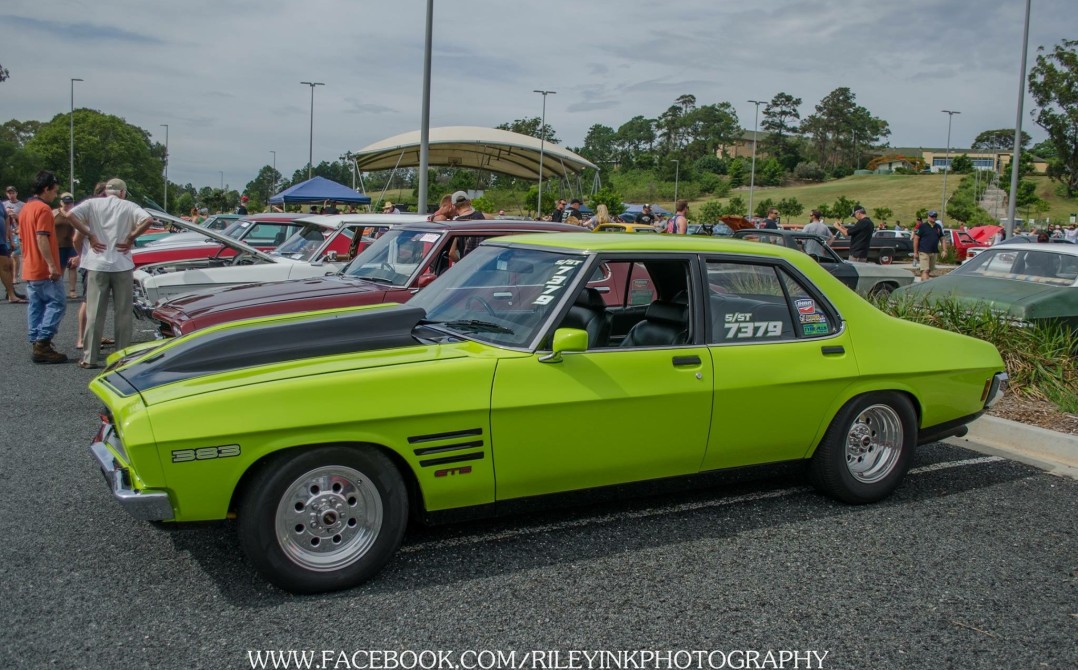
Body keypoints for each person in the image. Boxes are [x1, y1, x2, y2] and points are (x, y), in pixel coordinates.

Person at [65, 178, 154, 369]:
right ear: (122, 192)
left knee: (95, 312)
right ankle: (121, 357)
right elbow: (148, 220)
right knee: (122, 313)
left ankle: (90, 357)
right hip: (121, 263)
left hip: (97, 263)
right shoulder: (129, 206)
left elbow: (70, 215)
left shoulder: (91, 204)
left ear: (106, 191)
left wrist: (89, 234)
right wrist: (131, 237)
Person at [18, 171, 68, 363]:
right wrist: (52, 265)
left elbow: (23, 238)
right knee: (57, 304)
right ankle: (43, 343)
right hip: (43, 267)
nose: (56, 195)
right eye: (54, 191)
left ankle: (36, 341)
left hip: (29, 265)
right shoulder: (44, 209)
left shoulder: (25, 208)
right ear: (46, 189)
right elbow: (41, 237)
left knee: (36, 305)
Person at [53, 192, 79, 299]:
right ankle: (58, 290)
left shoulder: (76, 213)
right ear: (61, 202)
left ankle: (72, 290)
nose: (68, 205)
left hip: (72, 244)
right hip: (59, 244)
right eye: (65, 203)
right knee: (60, 268)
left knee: (72, 267)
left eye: (70, 203)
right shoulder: (54, 213)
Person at [913, 210, 948, 281]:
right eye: (932, 216)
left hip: (934, 252)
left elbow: (942, 239)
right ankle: (925, 288)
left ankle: (922, 285)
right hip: (924, 251)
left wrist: (944, 250)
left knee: (928, 271)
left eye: (935, 216)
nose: (933, 218)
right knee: (925, 270)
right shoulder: (922, 226)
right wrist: (915, 252)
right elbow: (916, 238)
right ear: (928, 217)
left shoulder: (938, 227)